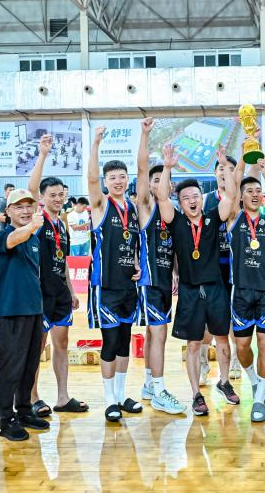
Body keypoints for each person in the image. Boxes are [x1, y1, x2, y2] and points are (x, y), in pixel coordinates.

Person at [157, 144, 241, 416]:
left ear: (201, 199)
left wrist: (224, 165)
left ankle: (224, 382)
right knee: (193, 344)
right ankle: (196, 394)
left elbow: (231, 195)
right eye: (186, 198)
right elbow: (161, 197)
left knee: (223, 340)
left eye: (195, 196)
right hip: (189, 291)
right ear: (180, 203)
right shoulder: (176, 222)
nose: (192, 201)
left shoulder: (213, 218)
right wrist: (167, 167)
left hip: (216, 288)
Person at [27, 134, 89, 419]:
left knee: (61, 345)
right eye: (52, 195)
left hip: (61, 295)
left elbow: (62, 261)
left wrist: (72, 291)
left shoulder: (63, 225)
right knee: (37, 347)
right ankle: (32, 397)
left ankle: (63, 397)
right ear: (42, 198)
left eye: (61, 194)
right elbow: (30, 189)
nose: (58, 198)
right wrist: (43, 154)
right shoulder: (37, 220)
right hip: (39, 294)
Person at [87, 126, 144, 422]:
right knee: (109, 343)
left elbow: (132, 243)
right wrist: (96, 143)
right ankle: (109, 398)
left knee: (124, 341)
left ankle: (120, 395)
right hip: (105, 286)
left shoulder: (132, 209)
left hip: (128, 287)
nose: (118, 181)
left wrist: (136, 262)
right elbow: (91, 179)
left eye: (122, 176)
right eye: (113, 178)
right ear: (106, 182)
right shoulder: (101, 205)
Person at [226, 154, 265, 423]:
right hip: (240, 292)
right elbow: (231, 191)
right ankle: (254, 380)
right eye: (249, 191)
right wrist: (242, 160)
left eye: (258, 191)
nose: (254, 194)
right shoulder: (233, 218)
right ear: (240, 197)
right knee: (242, 346)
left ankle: (260, 397)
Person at [135, 118, 186, 415]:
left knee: (154, 333)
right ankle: (159, 390)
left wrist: (176, 271)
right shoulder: (146, 208)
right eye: (154, 181)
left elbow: (175, 247)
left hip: (166, 280)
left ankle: (147, 384)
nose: (157, 185)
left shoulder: (173, 212)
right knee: (159, 333)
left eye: (163, 180)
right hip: (150, 281)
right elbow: (142, 168)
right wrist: (145, 135)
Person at [0, 188, 49, 441]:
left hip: (34, 310)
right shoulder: (2, 236)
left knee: (29, 364)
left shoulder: (34, 240)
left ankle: (24, 410)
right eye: (19, 206)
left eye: (29, 206)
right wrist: (32, 227)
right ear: (8, 211)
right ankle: (6, 419)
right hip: (11, 311)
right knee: (11, 366)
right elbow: (14, 239)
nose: (25, 211)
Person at [201, 155, 242, 383]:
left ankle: (235, 360)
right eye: (221, 169)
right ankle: (203, 364)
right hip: (210, 267)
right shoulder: (205, 199)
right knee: (207, 318)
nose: (225, 173)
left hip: (236, 268)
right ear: (215, 173)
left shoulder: (241, 199)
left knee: (234, 317)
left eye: (231, 169)